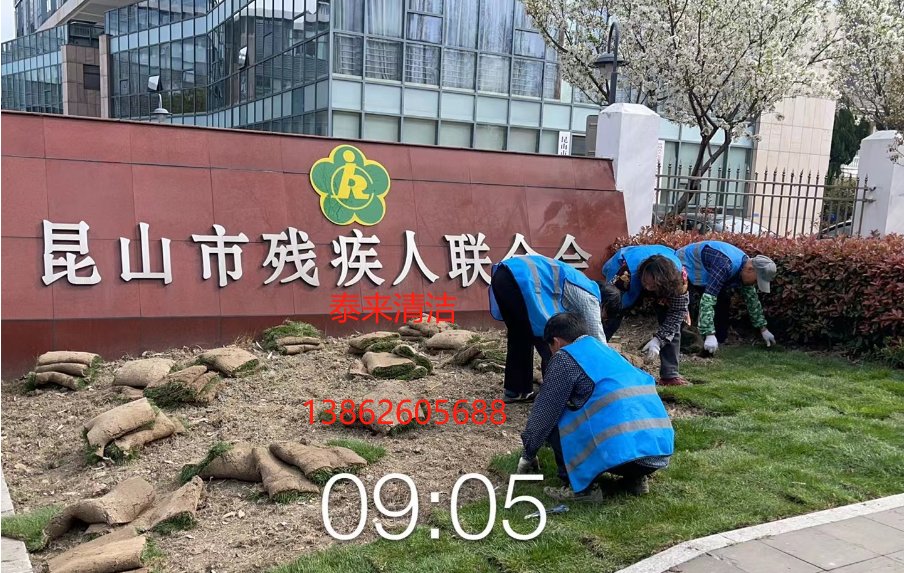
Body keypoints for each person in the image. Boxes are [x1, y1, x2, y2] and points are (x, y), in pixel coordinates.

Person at [516, 313, 674, 501]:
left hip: (622, 455)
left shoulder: (565, 357)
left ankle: (581, 490)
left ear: (556, 342)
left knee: (558, 415)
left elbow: (545, 412)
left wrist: (528, 454)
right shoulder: (607, 352)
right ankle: (636, 479)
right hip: (658, 452)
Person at [489, 255, 606, 404]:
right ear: (605, 305)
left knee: (520, 335)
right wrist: (609, 365)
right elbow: (597, 335)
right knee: (547, 337)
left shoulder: (580, 282)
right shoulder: (591, 297)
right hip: (520, 279)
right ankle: (553, 398)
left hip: (503, 275)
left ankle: (516, 390)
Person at [602, 245, 691, 386]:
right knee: (611, 317)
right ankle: (596, 357)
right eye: (646, 283)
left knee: (673, 325)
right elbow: (608, 301)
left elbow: (677, 312)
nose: (648, 287)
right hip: (630, 279)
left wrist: (659, 340)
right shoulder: (625, 273)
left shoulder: (679, 280)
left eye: (652, 285)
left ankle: (669, 376)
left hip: (664, 289)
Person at [676, 240, 777, 354]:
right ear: (750, 269)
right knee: (685, 303)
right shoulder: (724, 265)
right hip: (685, 263)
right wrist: (709, 334)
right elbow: (708, 300)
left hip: (704, 268)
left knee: (723, 301)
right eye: (756, 280)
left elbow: (751, 299)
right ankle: (681, 342)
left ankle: (718, 341)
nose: (755, 284)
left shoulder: (745, 265)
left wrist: (763, 329)